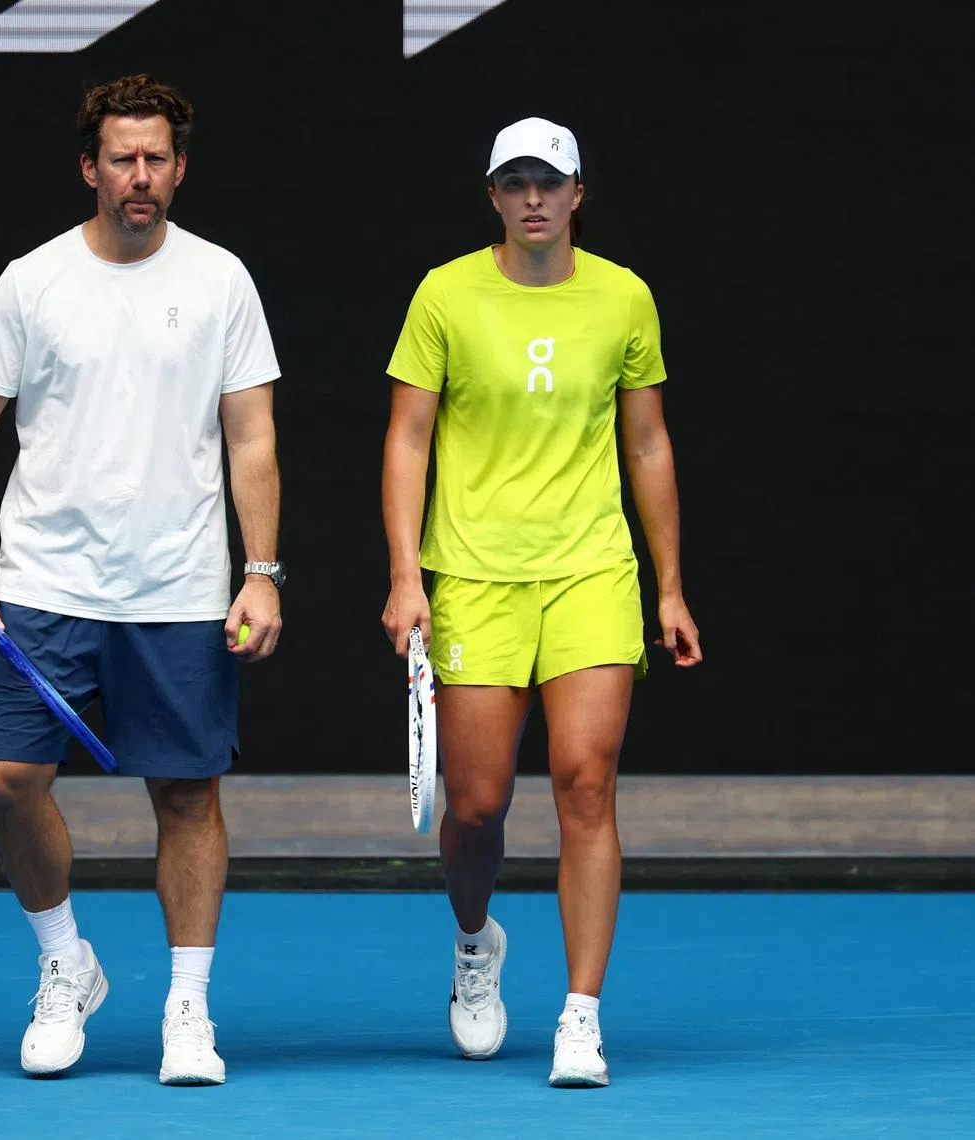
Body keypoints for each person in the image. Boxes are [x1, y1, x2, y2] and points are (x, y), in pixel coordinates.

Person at [0, 74, 285, 1085]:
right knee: (4, 782)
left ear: (180, 167)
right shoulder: (32, 281)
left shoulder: (221, 280)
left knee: (186, 795)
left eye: (158, 158)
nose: (141, 176)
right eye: (122, 159)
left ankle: (188, 1008)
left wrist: (259, 573)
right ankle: (65, 962)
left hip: (177, 590)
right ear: (91, 167)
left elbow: (251, 434)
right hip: (42, 585)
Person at [380, 116, 702, 1087]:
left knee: (586, 783)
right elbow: (408, 440)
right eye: (513, 183)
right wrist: (406, 576)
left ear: (576, 195)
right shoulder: (444, 294)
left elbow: (647, 444)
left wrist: (671, 584)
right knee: (476, 806)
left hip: (593, 574)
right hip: (474, 576)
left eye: (547, 183)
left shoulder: (624, 299)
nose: (532, 199)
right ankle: (476, 943)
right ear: (493, 197)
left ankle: (581, 1015)